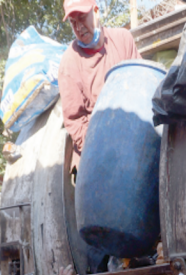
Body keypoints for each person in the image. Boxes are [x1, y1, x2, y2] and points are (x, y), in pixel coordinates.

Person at [58, 0, 141, 167]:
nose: (78, 27)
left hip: (133, 135)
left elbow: (140, 84)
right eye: (73, 22)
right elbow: (74, 121)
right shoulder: (69, 63)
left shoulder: (122, 39)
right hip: (97, 154)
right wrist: (104, 149)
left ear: (96, 11)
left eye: (82, 17)